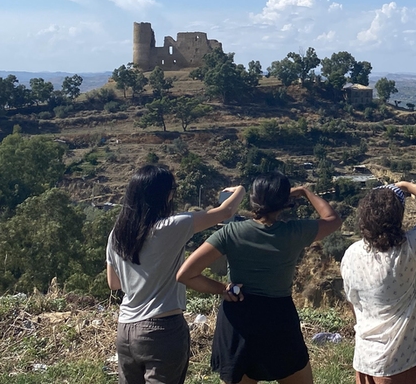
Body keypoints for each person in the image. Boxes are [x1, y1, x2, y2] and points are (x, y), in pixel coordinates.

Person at [176, 172, 341, 384]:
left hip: (238, 319)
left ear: (253, 199)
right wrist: (305, 192)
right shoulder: (294, 232)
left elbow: (185, 274)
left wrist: (222, 289)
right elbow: (333, 220)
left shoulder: (231, 232)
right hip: (278, 319)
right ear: (284, 202)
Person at [106, 164, 244, 384]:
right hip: (162, 329)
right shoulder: (172, 226)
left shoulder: (117, 234)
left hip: (125, 330)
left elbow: (114, 283)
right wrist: (241, 190)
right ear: (166, 195)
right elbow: (226, 212)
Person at [340, 182, 416, 384]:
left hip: (365, 358)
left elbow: (352, 302)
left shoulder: (351, 254)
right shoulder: (407, 250)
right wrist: (405, 185)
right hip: (403, 361)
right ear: (397, 218)